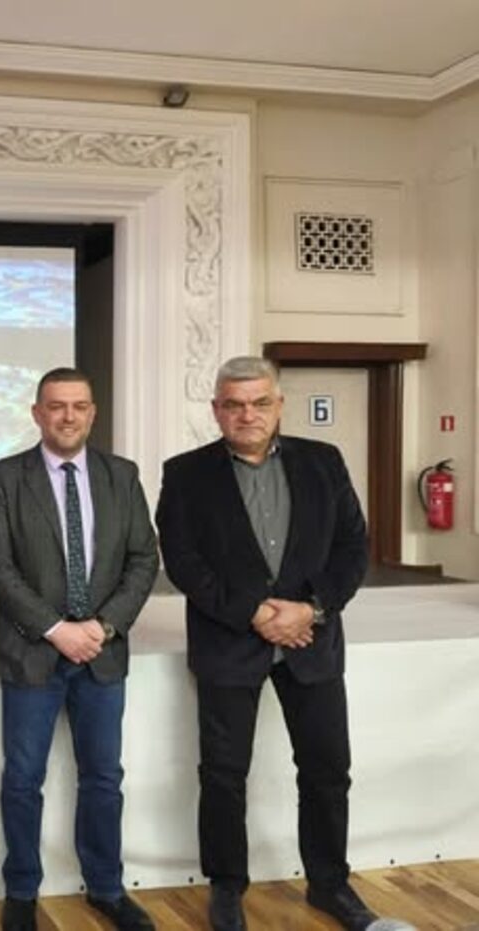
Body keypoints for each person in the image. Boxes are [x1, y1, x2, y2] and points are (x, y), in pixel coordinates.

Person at [156, 356, 396, 931]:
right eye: (234, 404)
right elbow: (184, 561)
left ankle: (329, 885)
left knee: (326, 769)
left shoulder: (324, 462)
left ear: (279, 404)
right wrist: (255, 614)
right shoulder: (185, 473)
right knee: (223, 774)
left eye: (260, 402)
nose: (248, 414)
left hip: (312, 642)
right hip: (229, 644)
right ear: (216, 410)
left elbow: (352, 548)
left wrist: (311, 608)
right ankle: (226, 887)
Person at [0, 368, 160, 931]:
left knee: (103, 778)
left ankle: (106, 888)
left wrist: (104, 626)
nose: (68, 416)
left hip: (102, 653)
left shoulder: (122, 475)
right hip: (32, 652)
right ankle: (21, 892)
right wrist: (57, 628)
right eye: (56, 406)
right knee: (22, 779)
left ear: (93, 412)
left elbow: (143, 559)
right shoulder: (5, 477)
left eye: (79, 406)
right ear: (37, 413)